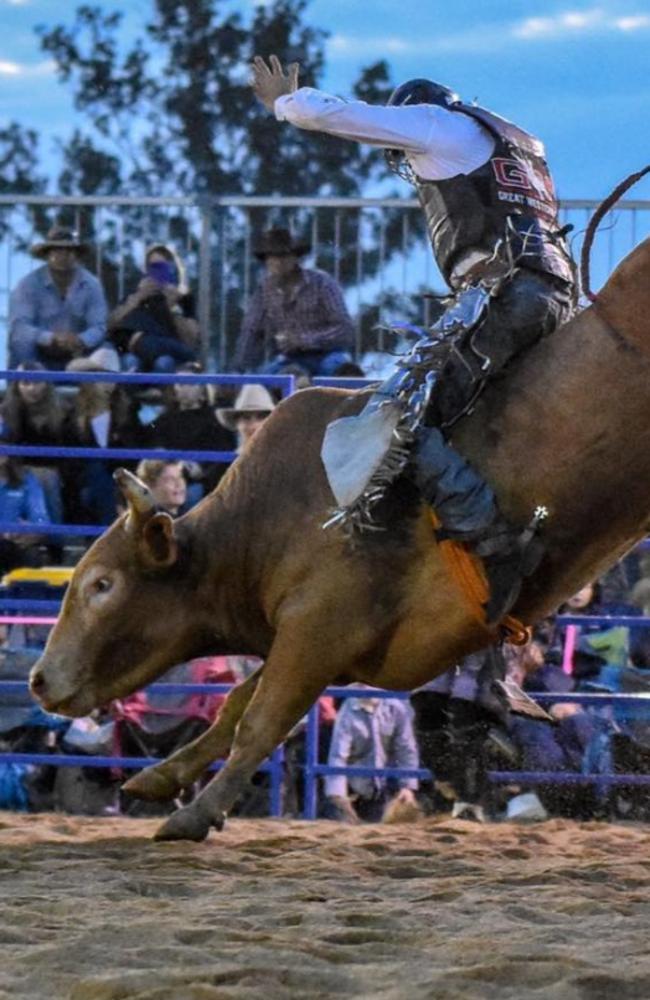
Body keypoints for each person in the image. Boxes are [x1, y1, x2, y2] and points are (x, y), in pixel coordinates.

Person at [251, 55, 576, 624]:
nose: (405, 159)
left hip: (506, 295)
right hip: (556, 294)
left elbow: (341, 116)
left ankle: (493, 540)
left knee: (401, 418)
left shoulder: (438, 125)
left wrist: (287, 104)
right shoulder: (518, 146)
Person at [234, 226, 355, 377]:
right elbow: (251, 332)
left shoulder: (322, 282)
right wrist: (238, 370)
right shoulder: (264, 290)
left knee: (339, 371)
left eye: (283, 255)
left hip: (329, 354)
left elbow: (345, 328)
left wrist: (304, 340)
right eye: (271, 257)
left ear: (295, 257)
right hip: (291, 359)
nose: (277, 262)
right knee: (270, 377)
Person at [8, 226, 108, 369]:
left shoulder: (92, 284)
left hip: (78, 354)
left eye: (69, 251)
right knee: (19, 340)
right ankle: (27, 385)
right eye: (57, 250)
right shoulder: (28, 284)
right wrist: (50, 338)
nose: (63, 256)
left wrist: (81, 339)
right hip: (39, 353)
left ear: (77, 255)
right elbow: (20, 326)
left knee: (106, 348)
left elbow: (99, 326)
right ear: (47, 255)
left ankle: (101, 390)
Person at [64, 346, 140, 525]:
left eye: (111, 376)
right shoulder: (74, 417)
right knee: (96, 471)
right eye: (100, 375)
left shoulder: (128, 413)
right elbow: (70, 460)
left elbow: (133, 451)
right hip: (85, 481)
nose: (106, 382)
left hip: (121, 477)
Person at [324, 690, 419, 823]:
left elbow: (406, 749)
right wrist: (338, 794)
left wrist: (408, 787)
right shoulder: (347, 711)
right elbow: (338, 754)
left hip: (385, 785)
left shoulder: (396, 708)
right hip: (354, 787)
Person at [145, 362, 236, 496]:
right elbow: (157, 446)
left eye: (189, 383)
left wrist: (202, 467)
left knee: (193, 493)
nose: (183, 387)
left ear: (202, 390)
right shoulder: (164, 420)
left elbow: (221, 450)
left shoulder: (214, 418)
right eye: (179, 383)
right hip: (169, 474)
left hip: (203, 479)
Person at [108, 243, 200, 372]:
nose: (157, 273)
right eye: (153, 268)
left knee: (164, 362)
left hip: (167, 354)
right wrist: (138, 297)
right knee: (130, 362)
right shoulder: (135, 294)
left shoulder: (183, 299)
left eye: (163, 267)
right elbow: (111, 325)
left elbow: (190, 340)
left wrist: (172, 307)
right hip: (135, 354)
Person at [1, 362, 70, 525]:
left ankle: (55, 541)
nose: (32, 388)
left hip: (53, 469)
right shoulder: (4, 412)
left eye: (37, 382)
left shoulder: (63, 411)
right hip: (14, 468)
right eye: (26, 383)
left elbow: (69, 451)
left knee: (48, 478)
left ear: (46, 383)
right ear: (16, 386)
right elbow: (5, 447)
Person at [0, 431, 51, 574]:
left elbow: (42, 521)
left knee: (29, 555)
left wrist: (29, 531)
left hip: (14, 545)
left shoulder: (27, 482)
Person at [216, 383, 276, 453]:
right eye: (246, 418)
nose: (254, 426)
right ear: (237, 423)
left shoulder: (287, 459)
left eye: (261, 417)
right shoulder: (224, 461)